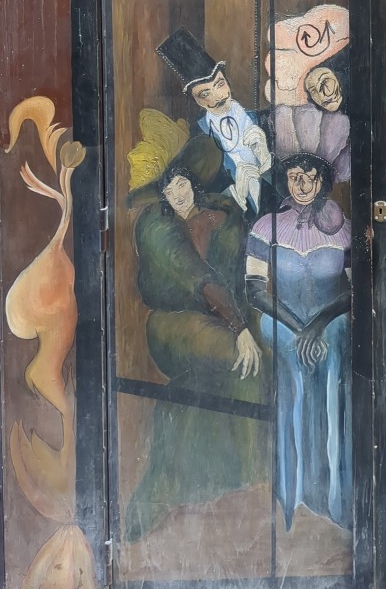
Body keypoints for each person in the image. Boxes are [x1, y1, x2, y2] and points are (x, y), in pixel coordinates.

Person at [125, 137, 269, 541]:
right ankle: (249, 475)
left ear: (192, 182)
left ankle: (235, 482)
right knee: (243, 360)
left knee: (249, 366)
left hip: (227, 316)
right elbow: (197, 276)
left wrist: (248, 320)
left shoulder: (221, 212)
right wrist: (240, 329)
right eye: (168, 188)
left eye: (181, 183)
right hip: (173, 324)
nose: (177, 193)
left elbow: (243, 268)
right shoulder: (155, 227)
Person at [245, 110, 352, 531]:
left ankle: (333, 499)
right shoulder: (266, 227)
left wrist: (319, 324)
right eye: (294, 177)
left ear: (323, 181)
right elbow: (256, 291)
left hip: (330, 320)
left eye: (310, 177)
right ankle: (292, 497)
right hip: (282, 321)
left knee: (332, 371)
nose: (302, 185)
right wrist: (298, 327)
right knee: (292, 373)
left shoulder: (343, 229)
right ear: (286, 181)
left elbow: (354, 291)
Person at [156, 28, 272, 218]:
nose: (217, 97)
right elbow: (200, 200)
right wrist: (236, 195)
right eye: (205, 94)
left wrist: (267, 161)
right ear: (196, 100)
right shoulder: (198, 142)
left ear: (227, 81)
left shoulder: (265, 121)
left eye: (219, 84)